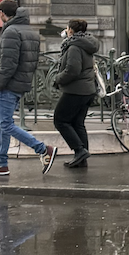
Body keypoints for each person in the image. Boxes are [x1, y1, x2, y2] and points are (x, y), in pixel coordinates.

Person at [0, 0, 56, 177]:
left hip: (9, 84)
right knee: (2, 123)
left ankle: (43, 149)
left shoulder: (11, 32)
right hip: (21, 83)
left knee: (5, 124)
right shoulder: (29, 31)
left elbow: (8, 64)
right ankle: (1, 163)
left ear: (1, 12)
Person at [52, 19, 99, 168]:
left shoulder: (74, 47)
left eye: (67, 28)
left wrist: (57, 78)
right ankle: (82, 158)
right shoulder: (86, 44)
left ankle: (79, 150)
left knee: (60, 120)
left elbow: (72, 70)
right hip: (87, 90)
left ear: (71, 30)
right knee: (78, 123)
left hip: (76, 91)